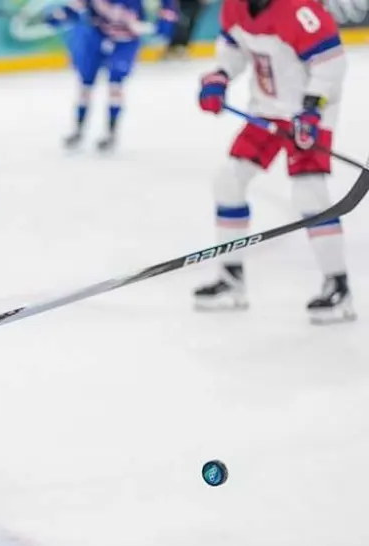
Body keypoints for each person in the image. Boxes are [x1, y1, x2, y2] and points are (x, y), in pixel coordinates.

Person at [193, 0, 354, 323]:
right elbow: (234, 48)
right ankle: (232, 280)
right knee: (229, 182)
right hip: (266, 111)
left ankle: (338, 287)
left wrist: (311, 108)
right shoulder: (235, 7)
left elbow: (331, 63)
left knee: (309, 192)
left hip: (308, 115)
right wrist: (220, 75)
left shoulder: (299, 10)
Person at [45, 0, 179, 150]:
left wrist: (165, 20)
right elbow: (77, 8)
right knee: (86, 84)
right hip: (96, 36)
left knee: (115, 84)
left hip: (126, 39)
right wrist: (61, 15)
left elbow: (167, 5)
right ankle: (79, 129)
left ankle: (110, 132)